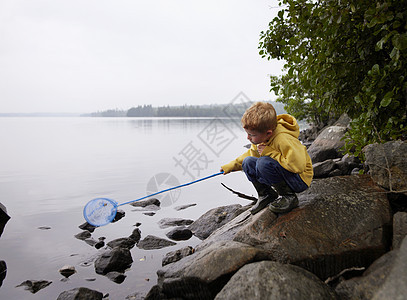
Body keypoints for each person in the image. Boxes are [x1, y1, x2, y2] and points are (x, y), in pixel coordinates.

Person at [220, 102, 313, 215]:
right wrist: (231, 166)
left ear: (268, 133)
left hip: (299, 179)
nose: (248, 138)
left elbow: (298, 166)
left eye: (252, 135)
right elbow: (251, 154)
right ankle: (266, 194)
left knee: (263, 162)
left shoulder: (283, 139)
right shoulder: (262, 137)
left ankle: (289, 197)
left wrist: (269, 153)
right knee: (248, 162)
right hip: (285, 174)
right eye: (248, 134)